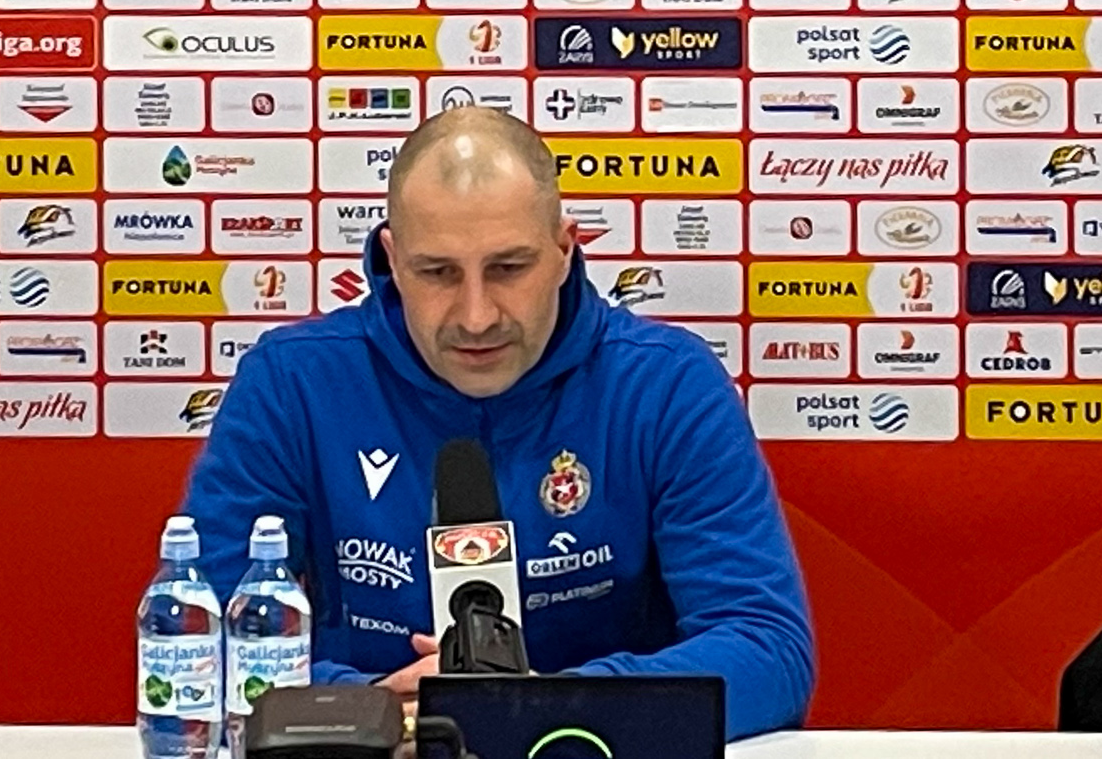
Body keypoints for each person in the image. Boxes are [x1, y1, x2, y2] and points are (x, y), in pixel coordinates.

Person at [182, 106, 815, 740]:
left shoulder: (667, 384)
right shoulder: (292, 383)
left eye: (509, 268)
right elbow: (197, 640)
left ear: (564, 251)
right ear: (392, 259)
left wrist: (546, 708)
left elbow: (767, 647)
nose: (477, 316)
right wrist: (366, 709)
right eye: (438, 273)